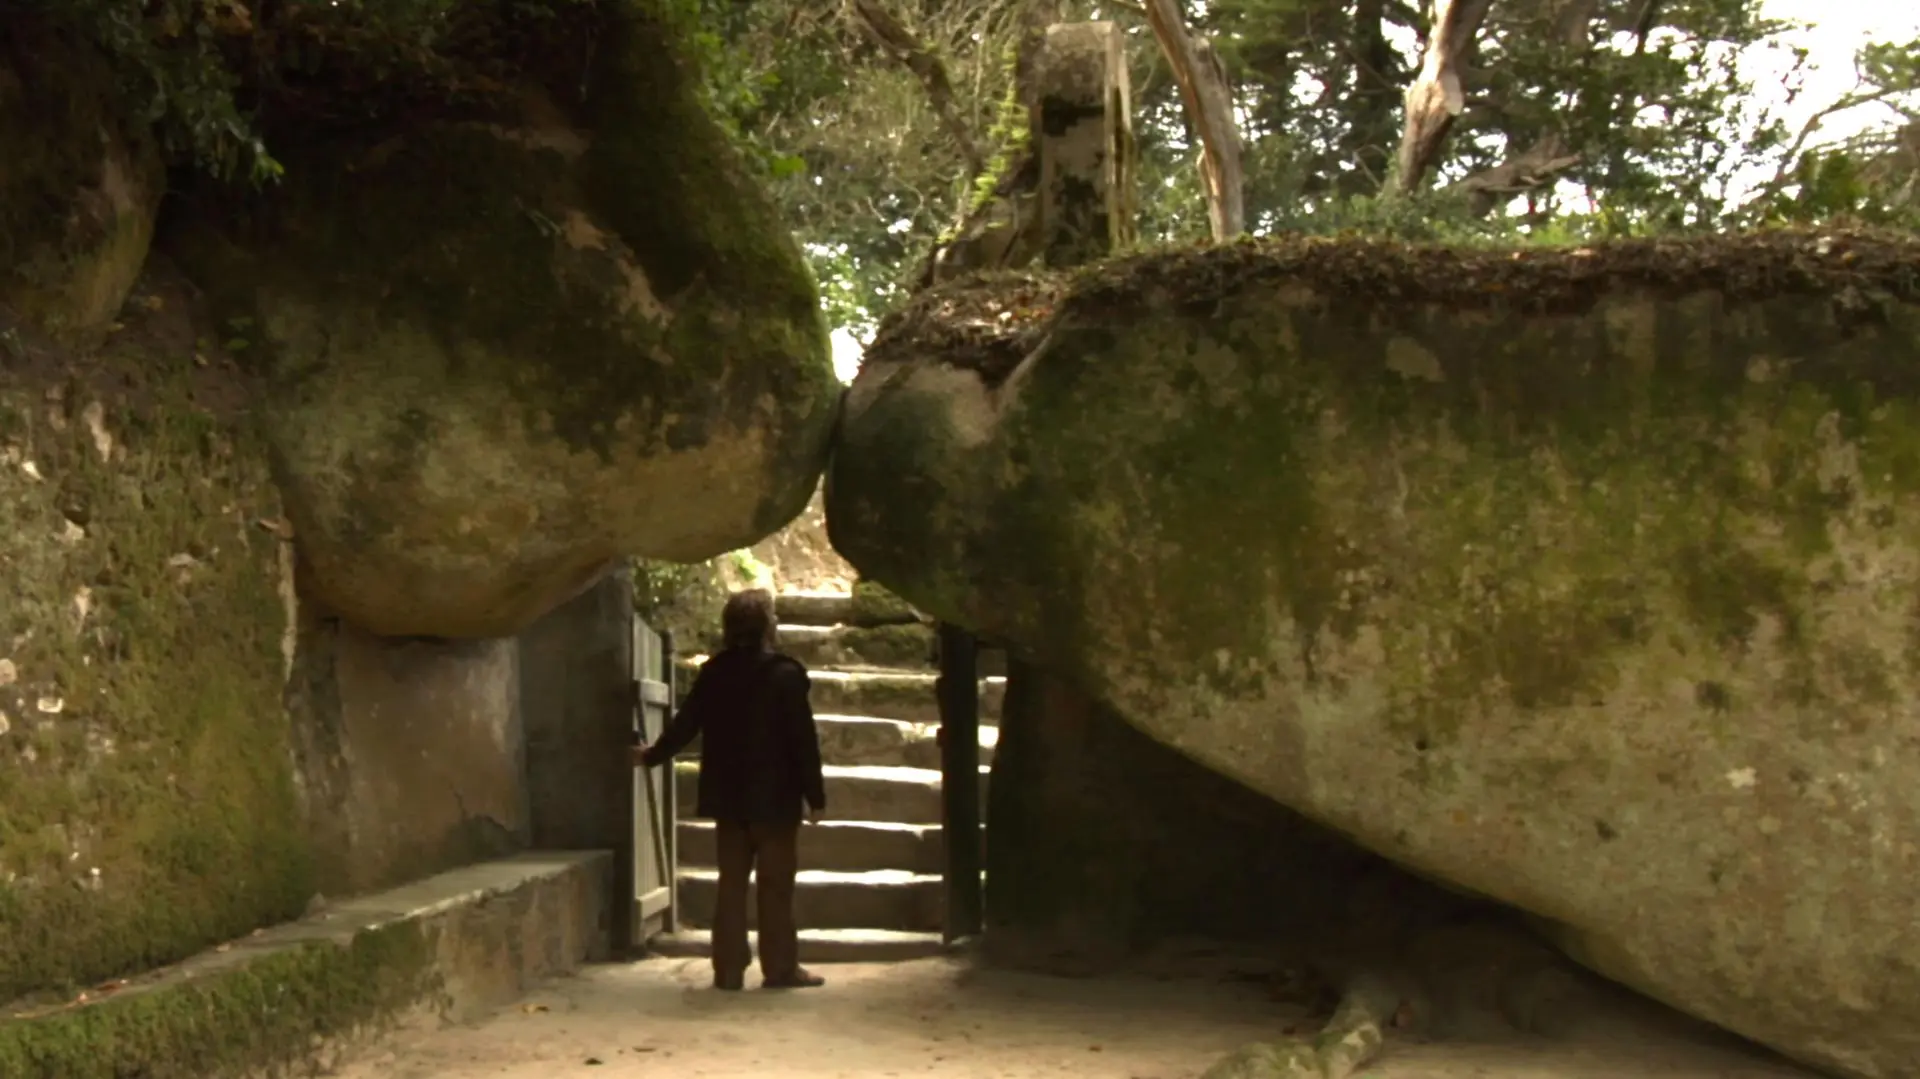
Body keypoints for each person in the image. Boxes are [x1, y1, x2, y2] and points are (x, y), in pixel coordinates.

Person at [632, 588, 828, 991]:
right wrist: (816, 796)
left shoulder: (715, 673)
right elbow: (802, 740)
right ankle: (780, 968)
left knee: (731, 885)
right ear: (768, 626)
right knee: (776, 887)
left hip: (729, 800)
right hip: (776, 802)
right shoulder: (787, 675)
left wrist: (651, 755)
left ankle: (728, 969)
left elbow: (686, 725)